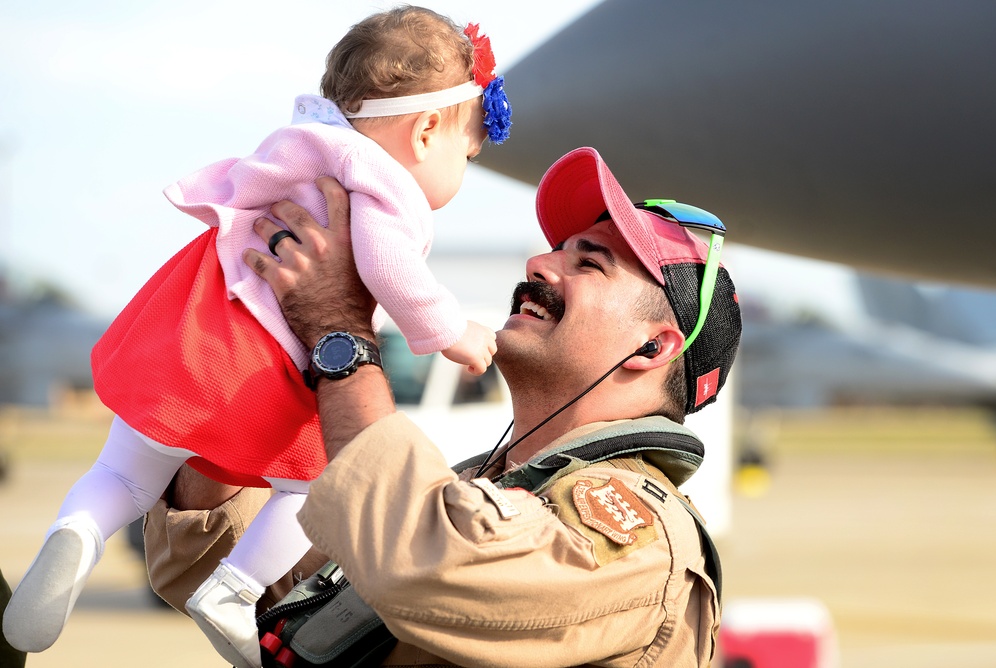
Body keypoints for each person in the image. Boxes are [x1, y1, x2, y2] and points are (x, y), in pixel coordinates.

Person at [2, 7, 511, 668]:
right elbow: (393, 272)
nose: (460, 172)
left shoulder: (293, 152)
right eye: (465, 154)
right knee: (315, 488)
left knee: (124, 470)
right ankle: (233, 591)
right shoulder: (378, 185)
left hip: (190, 332)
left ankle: (76, 530)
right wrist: (453, 332)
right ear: (426, 130)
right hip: (261, 366)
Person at [143, 146, 742, 667]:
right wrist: (257, 342)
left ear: (654, 346)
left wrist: (338, 331)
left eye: (588, 263)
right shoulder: (474, 485)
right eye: (558, 250)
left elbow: (421, 564)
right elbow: (254, 591)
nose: (539, 265)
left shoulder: (639, 539)